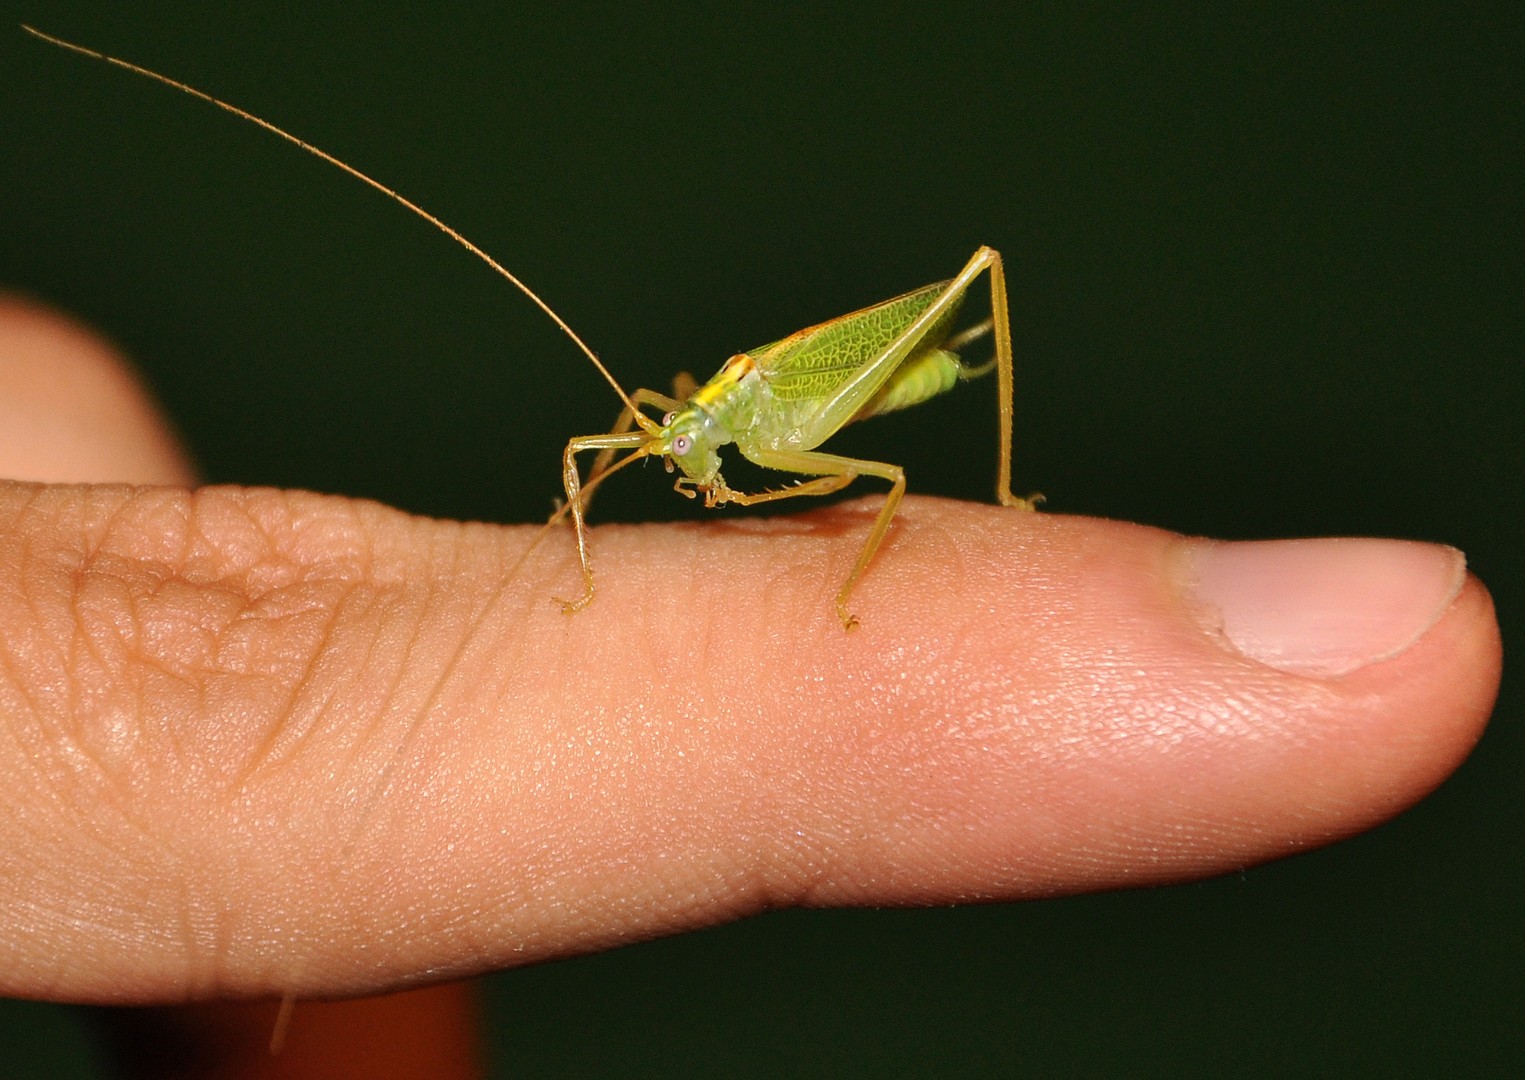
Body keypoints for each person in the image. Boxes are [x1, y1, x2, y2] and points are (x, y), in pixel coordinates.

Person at [0, 297, 1500, 1078]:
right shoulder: (676, 430)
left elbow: (873, 484)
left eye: (681, 444)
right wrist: (603, 520)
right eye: (673, 445)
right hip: (755, 401)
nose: (671, 456)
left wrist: (836, 550)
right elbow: (611, 447)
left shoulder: (773, 422)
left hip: (862, 378)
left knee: (897, 470)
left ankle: (1005, 494)